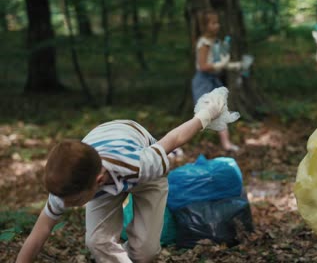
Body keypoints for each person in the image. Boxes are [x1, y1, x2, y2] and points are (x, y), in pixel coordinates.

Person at [16, 88, 239, 262]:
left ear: (97, 181)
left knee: (145, 253)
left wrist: (207, 113)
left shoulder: (138, 165)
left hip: (140, 159)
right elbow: (39, 233)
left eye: (73, 201)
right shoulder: (65, 187)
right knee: (97, 241)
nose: (64, 204)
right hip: (100, 146)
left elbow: (173, 140)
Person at [191, 9, 243, 152]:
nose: (217, 25)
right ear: (205, 26)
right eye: (213, 23)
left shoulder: (215, 42)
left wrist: (231, 65)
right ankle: (190, 139)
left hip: (213, 80)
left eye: (217, 22)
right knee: (204, 113)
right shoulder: (204, 43)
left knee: (220, 110)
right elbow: (202, 66)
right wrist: (221, 65)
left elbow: (217, 61)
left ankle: (226, 143)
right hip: (204, 81)